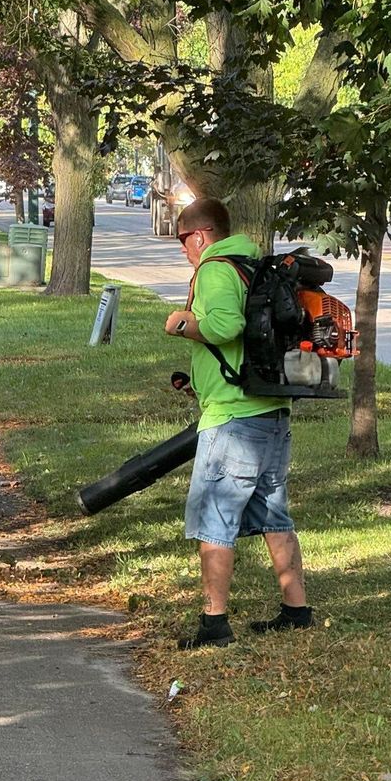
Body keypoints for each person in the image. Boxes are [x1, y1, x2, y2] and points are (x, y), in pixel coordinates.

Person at [163, 197, 314, 648]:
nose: (184, 251)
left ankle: (214, 624)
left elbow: (225, 325)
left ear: (202, 235)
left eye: (184, 241)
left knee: (214, 519)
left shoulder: (215, 269)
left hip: (233, 420)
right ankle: (296, 610)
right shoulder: (252, 266)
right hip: (269, 411)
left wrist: (180, 323)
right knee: (273, 515)